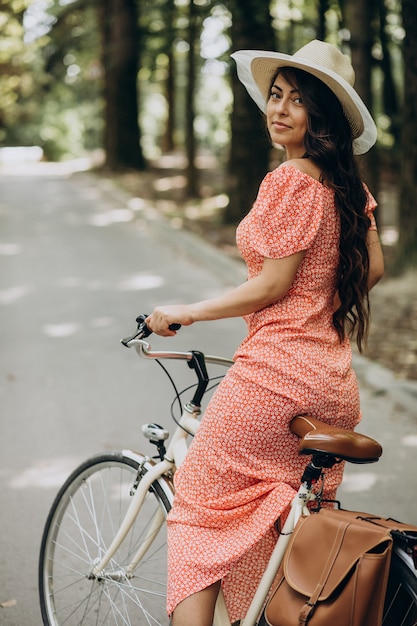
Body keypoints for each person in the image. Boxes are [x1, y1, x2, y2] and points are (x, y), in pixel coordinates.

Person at [146, 39, 384, 626]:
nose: (278, 109)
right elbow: (372, 268)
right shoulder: (348, 188)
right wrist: (321, 299)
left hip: (274, 382)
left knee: (198, 510)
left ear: (321, 115)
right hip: (331, 385)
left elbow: (270, 286)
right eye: (274, 96)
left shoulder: (290, 181)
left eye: (296, 101)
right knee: (281, 535)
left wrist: (188, 310)